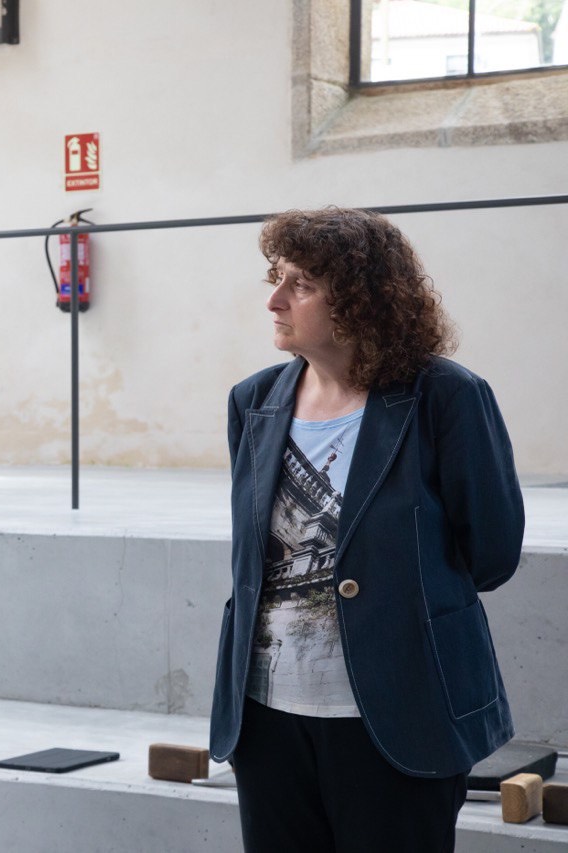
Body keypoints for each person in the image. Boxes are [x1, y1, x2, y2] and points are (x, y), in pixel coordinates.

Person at [210, 207, 525, 852]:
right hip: (267, 718)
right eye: (276, 278)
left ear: (360, 300)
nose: (274, 300)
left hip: (401, 713)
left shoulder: (446, 396)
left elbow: (491, 553)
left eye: (300, 284)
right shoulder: (254, 402)